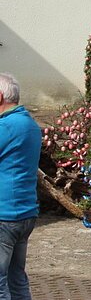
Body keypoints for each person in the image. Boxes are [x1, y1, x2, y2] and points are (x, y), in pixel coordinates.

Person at [0, 73, 40, 300]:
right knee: (17, 280)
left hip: (4, 215)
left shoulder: (6, 127)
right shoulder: (29, 124)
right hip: (25, 213)